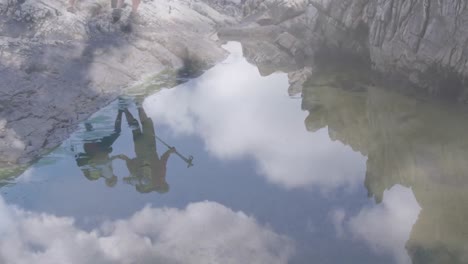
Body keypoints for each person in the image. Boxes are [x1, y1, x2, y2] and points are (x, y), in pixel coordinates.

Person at [115, 107, 175, 193]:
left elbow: (163, 160)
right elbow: (133, 168)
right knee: (135, 128)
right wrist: (127, 159)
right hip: (139, 150)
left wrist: (170, 151)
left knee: (147, 124)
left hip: (150, 147)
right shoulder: (145, 182)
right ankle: (124, 108)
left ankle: (138, 104)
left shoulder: (160, 177)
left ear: (164, 184)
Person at [74, 110, 123, 188]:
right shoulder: (101, 175)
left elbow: (104, 163)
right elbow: (103, 162)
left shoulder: (109, 174)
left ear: (114, 179)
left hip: (97, 149)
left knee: (117, 132)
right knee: (90, 131)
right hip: (89, 149)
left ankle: (120, 111)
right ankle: (83, 116)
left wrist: (116, 157)